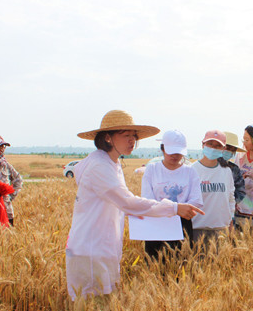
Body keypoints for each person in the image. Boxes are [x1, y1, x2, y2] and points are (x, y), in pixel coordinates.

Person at [65, 110, 203, 300]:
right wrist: (174, 208)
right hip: (91, 248)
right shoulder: (100, 166)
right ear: (108, 137)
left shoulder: (111, 163)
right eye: (126, 136)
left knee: (102, 305)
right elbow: (128, 202)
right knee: (90, 305)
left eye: (134, 136)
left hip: (101, 245)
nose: (132, 141)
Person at [141, 130, 203, 261]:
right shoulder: (152, 169)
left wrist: (177, 210)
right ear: (162, 148)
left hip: (182, 225)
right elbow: (147, 200)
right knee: (154, 265)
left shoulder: (190, 171)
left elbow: (196, 200)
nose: (175, 155)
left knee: (181, 266)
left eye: (179, 152)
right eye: (171, 151)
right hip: (156, 224)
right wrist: (176, 208)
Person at [191, 130, 235, 246]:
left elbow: (230, 200)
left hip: (221, 230)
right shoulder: (191, 170)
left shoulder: (226, 171)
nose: (213, 148)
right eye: (210, 144)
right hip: (197, 230)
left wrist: (231, 227)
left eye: (218, 145)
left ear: (223, 148)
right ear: (203, 144)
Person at [218, 131, 246, 204]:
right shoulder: (207, 166)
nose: (229, 151)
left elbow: (241, 191)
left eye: (233, 150)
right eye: (228, 148)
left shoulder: (234, 169)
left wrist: (229, 201)